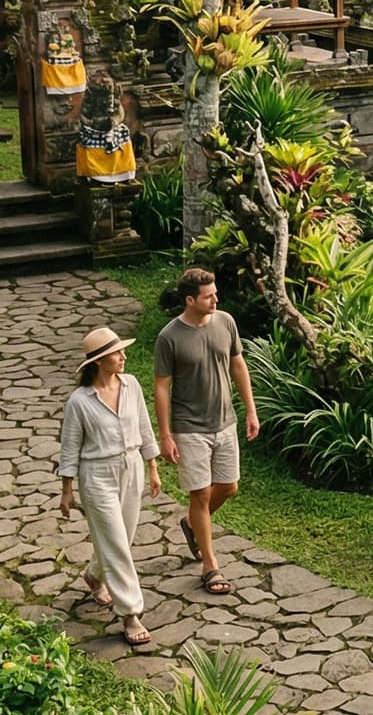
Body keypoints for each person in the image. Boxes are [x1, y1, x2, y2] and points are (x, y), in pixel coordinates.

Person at [153, 267, 260, 597]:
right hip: (189, 428)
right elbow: (161, 387)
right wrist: (166, 435)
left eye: (215, 293)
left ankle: (191, 526)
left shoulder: (225, 321)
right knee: (199, 495)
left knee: (228, 487)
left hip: (225, 422)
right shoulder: (169, 338)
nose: (216, 298)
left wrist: (251, 410)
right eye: (209, 295)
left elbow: (237, 364)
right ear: (189, 300)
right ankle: (210, 565)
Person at [58, 326, 162, 646]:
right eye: (117, 353)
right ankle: (130, 613)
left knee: (123, 538)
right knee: (116, 543)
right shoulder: (79, 401)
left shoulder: (131, 385)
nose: (124, 356)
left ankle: (94, 574)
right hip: (97, 475)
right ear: (100, 361)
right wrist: (67, 490)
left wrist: (153, 467)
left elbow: (144, 426)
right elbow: (70, 446)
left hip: (132, 468)